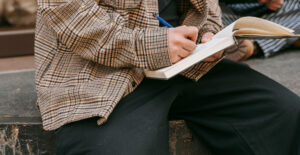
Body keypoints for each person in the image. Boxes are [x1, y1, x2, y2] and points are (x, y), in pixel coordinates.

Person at [35, 0, 300, 154]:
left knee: (284, 113)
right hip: (98, 73)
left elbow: (206, 6)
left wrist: (210, 35)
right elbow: (71, 15)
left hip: (187, 63)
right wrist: (156, 45)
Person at [220, 0, 300, 61]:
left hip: (272, 14)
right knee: (213, 12)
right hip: (231, 11)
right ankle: (290, 40)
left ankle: (252, 44)